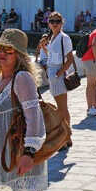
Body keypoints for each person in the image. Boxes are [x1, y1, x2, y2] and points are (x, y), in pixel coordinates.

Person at [0, 30, 49, 191]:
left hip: (19, 161)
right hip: (3, 161)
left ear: (19, 56)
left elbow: (34, 118)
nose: (2, 53)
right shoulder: (0, 79)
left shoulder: (22, 78)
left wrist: (29, 153)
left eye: (9, 50)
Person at [37, 12, 76, 150]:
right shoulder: (53, 37)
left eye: (57, 21)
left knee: (62, 108)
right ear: (48, 23)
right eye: (52, 21)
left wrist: (59, 72)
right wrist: (44, 48)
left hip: (57, 74)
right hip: (53, 73)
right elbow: (53, 56)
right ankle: (66, 137)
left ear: (62, 23)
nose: (54, 24)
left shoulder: (64, 38)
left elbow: (70, 58)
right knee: (60, 108)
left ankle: (66, 137)